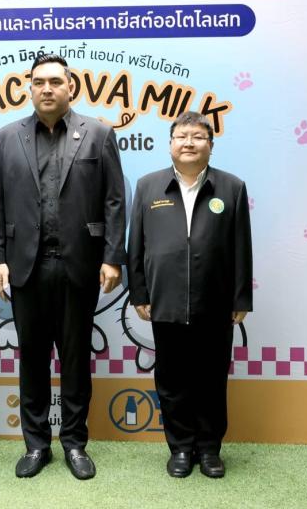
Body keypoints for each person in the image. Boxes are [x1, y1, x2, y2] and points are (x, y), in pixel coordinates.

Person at [0, 54, 126, 479]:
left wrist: (112, 257)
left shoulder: (98, 134)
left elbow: (114, 201)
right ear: (29, 88)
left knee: (76, 360)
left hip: (79, 266)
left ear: (70, 87)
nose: (47, 89)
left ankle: (75, 444)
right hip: (25, 268)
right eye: (39, 82)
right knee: (32, 359)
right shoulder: (7, 137)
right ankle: (36, 445)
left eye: (55, 82)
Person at [127, 111, 252, 479]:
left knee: (212, 380)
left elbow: (241, 247)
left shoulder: (232, 188)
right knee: (172, 381)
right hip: (164, 301)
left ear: (210, 146)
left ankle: (210, 449)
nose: (189, 143)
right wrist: (139, 293)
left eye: (198, 137)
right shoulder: (148, 187)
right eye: (182, 136)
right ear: (170, 145)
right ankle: (180, 448)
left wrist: (241, 299)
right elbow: (136, 246)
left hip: (216, 302)